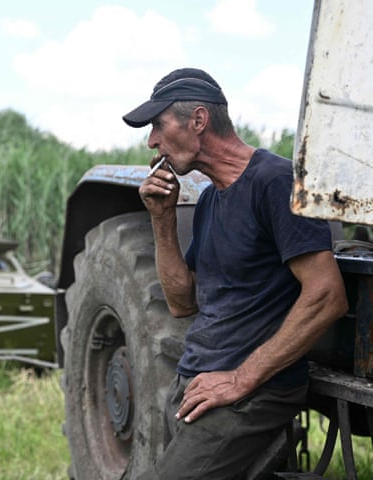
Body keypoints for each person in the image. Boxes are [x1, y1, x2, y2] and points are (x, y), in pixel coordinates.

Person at [122, 67, 349, 479]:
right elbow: (181, 303)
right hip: (198, 382)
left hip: (251, 392)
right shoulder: (212, 199)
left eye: (158, 125)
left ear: (198, 121)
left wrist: (241, 379)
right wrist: (161, 218)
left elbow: (327, 295)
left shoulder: (275, 182)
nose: (151, 141)